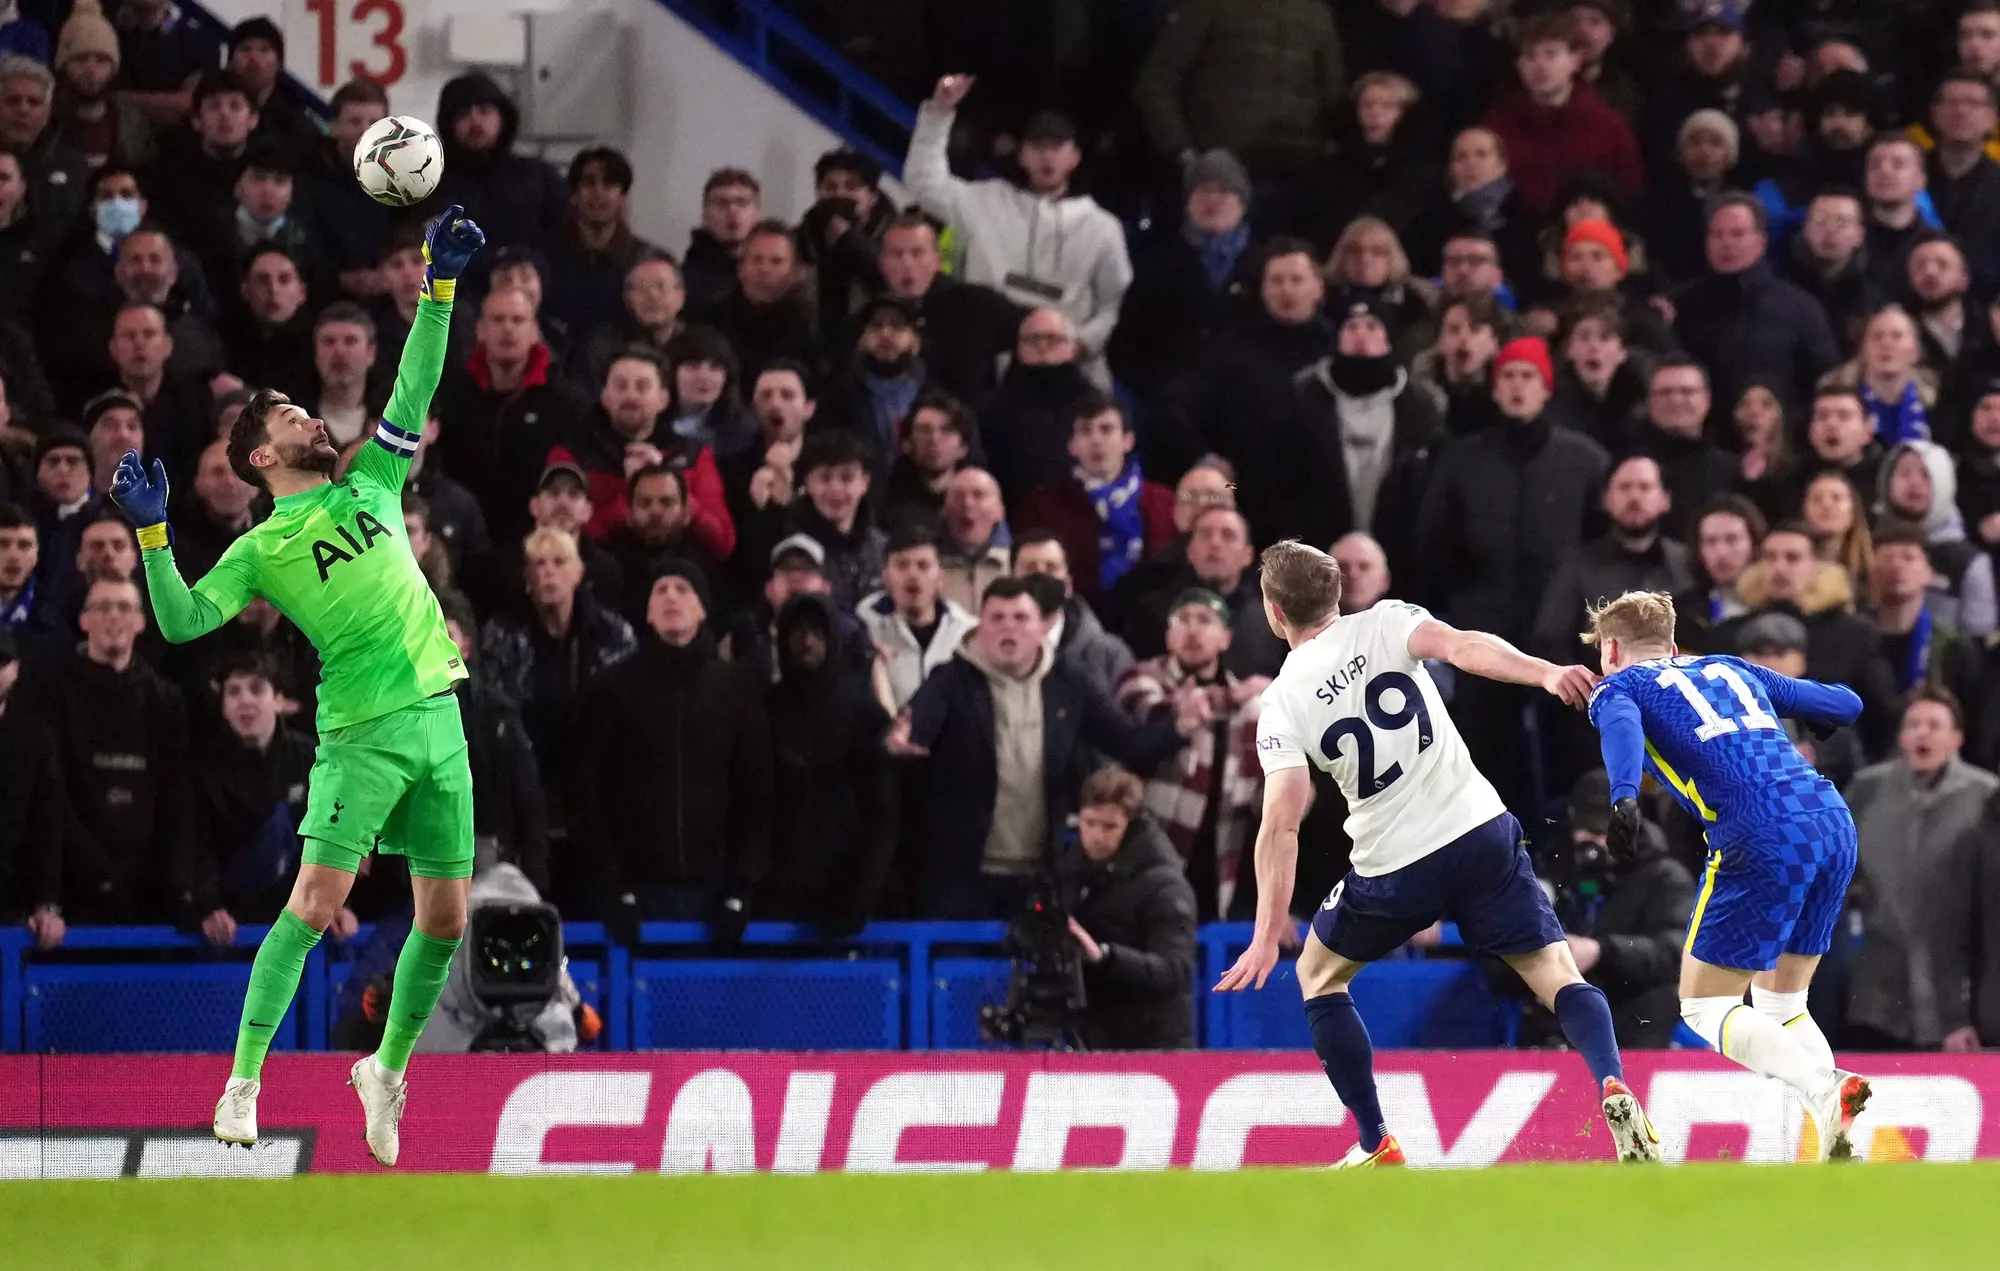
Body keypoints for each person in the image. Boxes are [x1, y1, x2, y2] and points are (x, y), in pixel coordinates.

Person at [105, 205, 487, 1165]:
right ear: (263, 458)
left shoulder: (371, 485)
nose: (314, 418)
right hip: (362, 731)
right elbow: (186, 621)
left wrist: (437, 289)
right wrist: (154, 536)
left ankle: (385, 1070)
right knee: (313, 905)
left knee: (446, 919)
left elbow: (416, 379)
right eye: (291, 418)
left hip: (441, 716)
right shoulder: (260, 547)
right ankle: (242, 1082)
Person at [1218, 541, 1659, 1167]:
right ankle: (1612, 1080)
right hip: (1480, 830)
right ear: (1337, 592)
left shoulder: (1282, 702)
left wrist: (1267, 933)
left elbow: (1281, 823)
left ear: (1273, 613)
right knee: (1556, 973)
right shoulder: (1388, 621)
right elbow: (1463, 647)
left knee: (1319, 976)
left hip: (1393, 865)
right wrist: (1544, 673)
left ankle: (1375, 1142)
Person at [1585, 589, 1872, 1159]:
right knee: (1784, 1004)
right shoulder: (1732, 667)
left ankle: (1825, 1086)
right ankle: (1839, 1131)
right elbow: (1846, 704)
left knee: (1705, 1006)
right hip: (1831, 820)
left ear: (1611, 648)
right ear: (1671, 644)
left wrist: (1622, 799)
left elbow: (1618, 723)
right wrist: (1820, 717)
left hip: (1759, 828)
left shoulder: (1620, 685)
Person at [888, 573, 1206, 920]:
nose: (1009, 628)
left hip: (1042, 874)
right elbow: (912, 731)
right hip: (959, 876)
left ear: (1042, 628)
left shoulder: (1070, 682)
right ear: (980, 627)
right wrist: (896, 744)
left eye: (1021, 618)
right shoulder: (949, 680)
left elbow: (1129, 744)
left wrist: (1178, 727)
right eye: (997, 618)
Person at [580, 560, 771, 942]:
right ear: (647, 613)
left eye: (683, 589)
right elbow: (588, 792)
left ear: (702, 608)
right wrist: (612, 885)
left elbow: (757, 793)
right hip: (638, 889)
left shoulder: (736, 689)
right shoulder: (611, 689)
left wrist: (742, 887)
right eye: (660, 590)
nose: (671, 597)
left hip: (716, 892)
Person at [905, 76, 1131, 386]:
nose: (1047, 156)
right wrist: (938, 113)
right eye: (1038, 146)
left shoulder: (1103, 227)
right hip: (987, 370)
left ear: (1074, 156)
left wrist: (1080, 344)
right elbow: (924, 183)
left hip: (1067, 375)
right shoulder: (984, 201)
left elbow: (1115, 304)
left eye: (1057, 147)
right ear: (1022, 154)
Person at [1843, 687, 1998, 1051]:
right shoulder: (1868, 789)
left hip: (1958, 988)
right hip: (1879, 978)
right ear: (1901, 737)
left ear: (1957, 738)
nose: (1923, 733)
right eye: (1913, 725)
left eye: (1934, 725)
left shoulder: (1985, 795)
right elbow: (1842, 863)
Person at [1115, 588, 1265, 923]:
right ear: (1169, 636)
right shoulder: (1141, 679)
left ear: (1225, 638)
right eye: (1182, 620)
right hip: (1151, 854)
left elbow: (1258, 793)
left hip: (1219, 859)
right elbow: (1154, 714)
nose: (1193, 630)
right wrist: (1231, 696)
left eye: (1205, 621)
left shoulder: (1252, 709)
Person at [760, 590, 895, 934]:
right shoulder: (763, 710)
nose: (807, 643)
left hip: (847, 896)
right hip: (772, 898)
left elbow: (882, 815)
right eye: (798, 633)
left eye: (817, 633)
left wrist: (863, 890)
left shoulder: (864, 714)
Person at [1060, 767, 1199, 1050]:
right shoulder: (1071, 870)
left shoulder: (1165, 885)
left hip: (1155, 1046)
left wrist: (1105, 957)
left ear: (1132, 826)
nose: (1096, 835)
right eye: (1089, 823)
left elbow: (1175, 970)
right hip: (1095, 1034)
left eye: (1109, 826)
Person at [183, 652, 316, 925]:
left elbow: (327, 837)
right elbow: (195, 843)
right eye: (233, 692)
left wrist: (337, 902)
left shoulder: (309, 757)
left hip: (298, 916)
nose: (245, 700)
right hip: (230, 920)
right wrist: (210, 906)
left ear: (279, 701)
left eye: (256, 690)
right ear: (223, 707)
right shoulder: (202, 766)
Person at [1014, 393, 1174, 611]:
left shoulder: (1165, 502)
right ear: (1072, 445)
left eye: (1106, 429)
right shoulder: (1042, 506)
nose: (1096, 440)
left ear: (1128, 441)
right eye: (1086, 431)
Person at [858, 517, 976, 714]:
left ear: (940, 577)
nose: (913, 575)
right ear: (886, 577)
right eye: (902, 566)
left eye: (923, 566)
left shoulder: (966, 631)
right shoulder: (864, 627)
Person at [0, 628, 66, 951]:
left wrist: (46, 902)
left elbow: (47, 827)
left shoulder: (35, 741)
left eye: (2, 661)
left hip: (10, 910)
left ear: (16, 669)